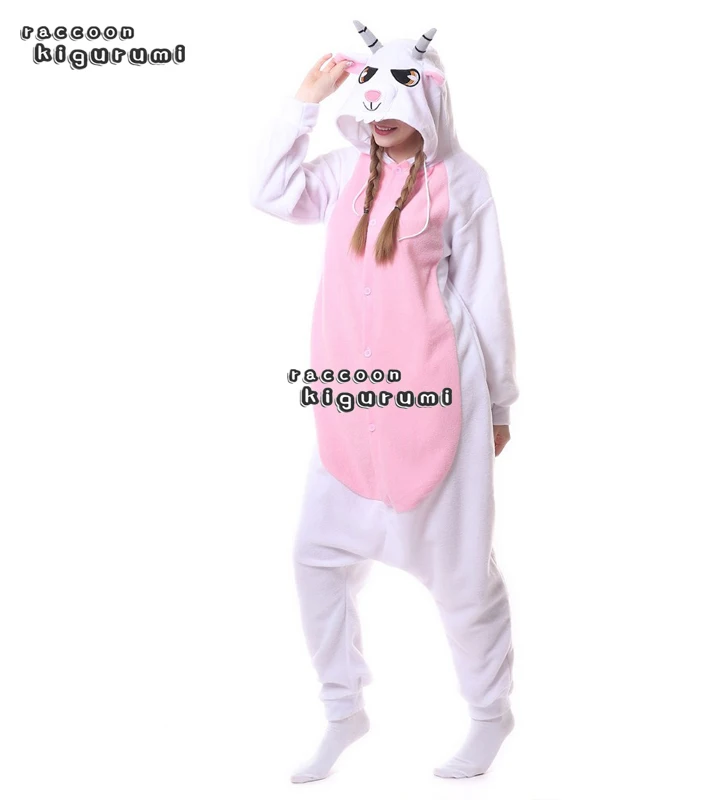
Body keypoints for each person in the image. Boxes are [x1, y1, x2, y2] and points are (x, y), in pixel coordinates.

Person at [250, 21, 520, 783]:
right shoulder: (343, 171)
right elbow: (269, 192)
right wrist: (303, 103)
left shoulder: (463, 179)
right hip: (351, 403)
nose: (381, 113)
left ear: (430, 100)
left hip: (439, 395)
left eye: (399, 96)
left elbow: (486, 292)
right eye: (369, 99)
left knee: (460, 572)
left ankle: (490, 714)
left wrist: (500, 405)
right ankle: (344, 711)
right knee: (316, 557)